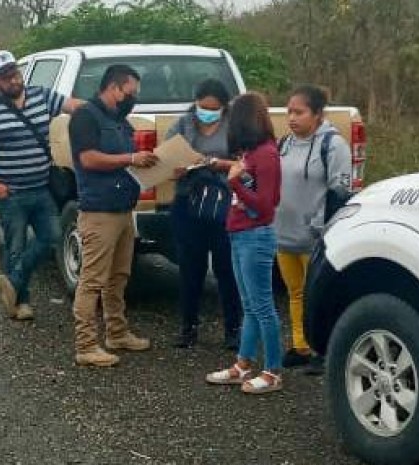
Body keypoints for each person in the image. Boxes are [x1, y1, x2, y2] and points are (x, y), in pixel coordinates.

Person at [0, 50, 84, 321]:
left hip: (41, 188)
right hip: (9, 193)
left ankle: (13, 281)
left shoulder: (41, 96)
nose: (13, 80)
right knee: (15, 245)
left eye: (15, 73)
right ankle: (20, 302)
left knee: (52, 237)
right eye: (6, 77)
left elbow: (72, 105)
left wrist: (103, 108)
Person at [68, 64, 159, 367]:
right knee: (92, 280)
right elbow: (89, 159)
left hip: (123, 209)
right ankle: (85, 345)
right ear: (114, 88)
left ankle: (117, 332)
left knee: (119, 276)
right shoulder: (84, 116)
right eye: (130, 92)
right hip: (98, 211)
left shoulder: (121, 120)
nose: (133, 98)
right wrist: (131, 158)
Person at [206, 92, 284, 394]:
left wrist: (235, 181)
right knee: (249, 305)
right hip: (240, 233)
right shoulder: (250, 153)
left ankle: (273, 370)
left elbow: (266, 205)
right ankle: (243, 363)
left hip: (255, 235)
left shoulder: (265, 154)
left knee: (263, 306)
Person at [276, 84, 352, 375]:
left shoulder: (333, 146)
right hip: (284, 233)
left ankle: (326, 349)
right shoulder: (284, 143)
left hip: (315, 238)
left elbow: (340, 191)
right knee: (295, 292)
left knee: (319, 296)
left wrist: (322, 228)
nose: (292, 118)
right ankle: (301, 345)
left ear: (318, 114)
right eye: (289, 112)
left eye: (299, 112)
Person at [166, 78, 242, 349]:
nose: (206, 111)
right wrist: (175, 167)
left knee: (226, 269)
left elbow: (246, 163)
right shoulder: (183, 124)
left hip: (223, 203)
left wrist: (217, 164)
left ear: (223, 106)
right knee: (189, 269)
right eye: (202, 106)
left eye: (212, 107)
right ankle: (188, 327)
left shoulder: (234, 127)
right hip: (189, 202)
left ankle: (233, 329)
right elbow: (167, 156)